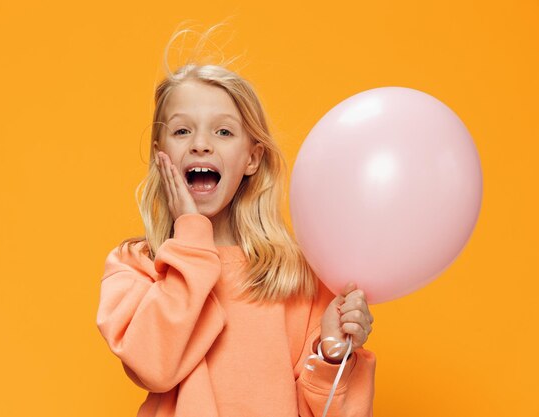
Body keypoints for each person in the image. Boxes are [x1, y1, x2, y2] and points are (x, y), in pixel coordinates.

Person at [96, 25, 376, 417]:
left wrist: (332, 353)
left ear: (252, 158)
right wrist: (191, 237)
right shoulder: (136, 267)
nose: (200, 143)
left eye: (223, 131)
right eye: (181, 130)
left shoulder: (292, 276)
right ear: (161, 156)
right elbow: (152, 366)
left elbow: (335, 411)